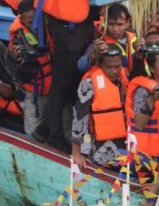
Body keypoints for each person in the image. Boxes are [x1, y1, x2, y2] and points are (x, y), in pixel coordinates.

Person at [44, 0, 95, 153]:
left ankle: (47, 129)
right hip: (68, 26)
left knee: (74, 82)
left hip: (82, 23)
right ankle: (54, 136)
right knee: (61, 82)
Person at [71, 46, 128, 168]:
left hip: (123, 142)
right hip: (98, 144)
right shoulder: (89, 82)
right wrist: (76, 153)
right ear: (99, 64)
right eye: (109, 67)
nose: (114, 71)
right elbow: (80, 117)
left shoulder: (123, 77)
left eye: (117, 66)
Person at [8, 0, 51, 138]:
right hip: (33, 93)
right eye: (29, 22)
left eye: (35, 20)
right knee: (32, 131)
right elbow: (14, 72)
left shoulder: (50, 30)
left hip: (53, 91)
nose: (34, 25)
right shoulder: (17, 39)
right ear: (21, 19)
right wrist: (16, 59)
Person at [77, 3, 143, 77]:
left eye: (120, 24)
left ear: (128, 23)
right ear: (105, 22)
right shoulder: (100, 42)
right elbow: (81, 66)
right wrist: (92, 56)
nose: (115, 29)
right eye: (111, 24)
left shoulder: (136, 39)